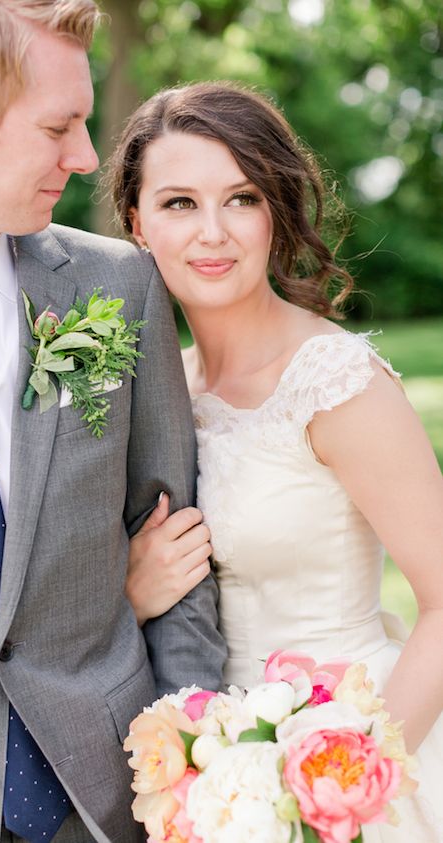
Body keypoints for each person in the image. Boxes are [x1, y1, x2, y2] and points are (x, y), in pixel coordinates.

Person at [0, 3, 226, 842]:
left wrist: (197, 776)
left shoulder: (118, 288)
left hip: (108, 797)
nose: (83, 156)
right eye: (58, 125)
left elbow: (179, 550)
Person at [111, 81, 443, 840]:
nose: (213, 233)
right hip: (214, 787)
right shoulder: (160, 392)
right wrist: (129, 594)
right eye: (179, 203)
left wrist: (347, 791)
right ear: (138, 224)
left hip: (355, 771)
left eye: (242, 198)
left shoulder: (335, 384)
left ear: (277, 210)